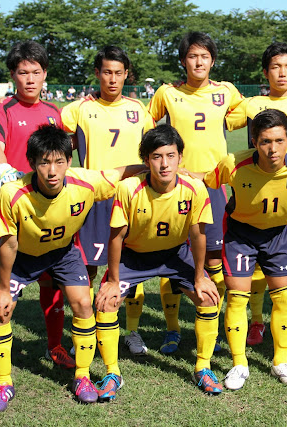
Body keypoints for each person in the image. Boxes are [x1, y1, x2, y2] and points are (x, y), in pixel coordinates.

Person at [0, 125, 147, 413]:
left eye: (59, 162)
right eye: (44, 162)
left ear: (69, 161)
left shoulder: (85, 183)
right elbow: (8, 244)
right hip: (23, 256)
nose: (52, 171)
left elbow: (121, 172)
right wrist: (2, 289)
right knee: (0, 309)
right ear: (32, 163)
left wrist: (154, 167)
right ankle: (3, 383)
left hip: (63, 253)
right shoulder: (12, 193)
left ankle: (82, 377)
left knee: (84, 304)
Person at [194, 109, 287, 390]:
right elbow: (207, 180)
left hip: (278, 235)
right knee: (237, 299)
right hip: (241, 235)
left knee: (283, 299)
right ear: (254, 141)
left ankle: (280, 361)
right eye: (265, 141)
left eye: (279, 141)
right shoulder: (233, 164)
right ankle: (239, 363)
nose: (272, 149)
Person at [95, 125, 223, 399]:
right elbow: (116, 237)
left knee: (209, 298)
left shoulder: (194, 188)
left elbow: (198, 235)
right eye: (157, 157)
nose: (164, 164)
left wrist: (200, 278)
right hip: (134, 256)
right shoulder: (129, 188)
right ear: (146, 160)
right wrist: (113, 281)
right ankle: (112, 373)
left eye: (170, 155)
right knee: (106, 302)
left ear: (180, 158)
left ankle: (203, 368)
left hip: (175, 253)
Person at [0, 41, 73, 385]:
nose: (30, 79)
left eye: (36, 72)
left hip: (47, 211)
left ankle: (54, 346)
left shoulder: (55, 112)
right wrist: (3, 168)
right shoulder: (1, 110)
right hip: (7, 210)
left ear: (45, 74)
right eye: (22, 72)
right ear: (13, 75)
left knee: (52, 279)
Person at [225, 42, 287, 345]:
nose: (282, 73)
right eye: (275, 67)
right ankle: (257, 321)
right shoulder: (251, 104)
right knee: (257, 263)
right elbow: (218, 117)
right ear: (265, 72)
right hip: (256, 193)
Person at [147, 32, 243, 355]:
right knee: (169, 255)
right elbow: (145, 124)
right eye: (192, 56)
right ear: (183, 61)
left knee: (213, 258)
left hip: (213, 186)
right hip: (175, 187)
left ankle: (212, 324)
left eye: (204, 56)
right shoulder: (167, 93)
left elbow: (252, 111)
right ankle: (172, 329)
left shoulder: (226, 92)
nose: (198, 62)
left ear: (212, 60)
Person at [62, 45, 155, 358]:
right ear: (97, 73)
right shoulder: (77, 109)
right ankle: (85, 328)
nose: (112, 79)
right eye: (106, 72)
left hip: (132, 197)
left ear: (126, 74)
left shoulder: (139, 110)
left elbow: (152, 149)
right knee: (87, 266)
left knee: (132, 265)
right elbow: (56, 141)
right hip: (93, 198)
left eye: (118, 73)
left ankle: (131, 331)